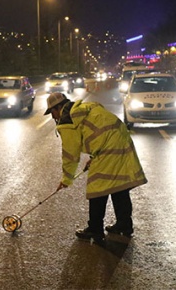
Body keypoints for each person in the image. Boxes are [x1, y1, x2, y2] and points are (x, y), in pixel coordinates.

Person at [44, 92, 147, 243]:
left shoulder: (68, 120)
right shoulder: (84, 108)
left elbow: (70, 155)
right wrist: (93, 157)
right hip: (122, 140)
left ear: (59, 107)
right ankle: (124, 225)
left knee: (97, 189)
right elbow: (99, 131)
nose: (53, 117)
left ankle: (95, 230)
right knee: (119, 187)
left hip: (108, 147)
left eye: (52, 112)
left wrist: (67, 179)